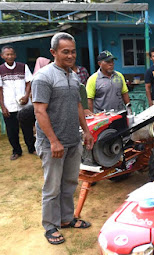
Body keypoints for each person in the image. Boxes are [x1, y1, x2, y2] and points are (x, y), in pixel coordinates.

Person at [31, 32, 94, 245]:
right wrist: (53, 141)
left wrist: (86, 131)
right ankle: (50, 226)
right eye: (65, 51)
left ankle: (67, 219)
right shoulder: (44, 77)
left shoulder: (73, 75)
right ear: (53, 52)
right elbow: (39, 111)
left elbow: (78, 105)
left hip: (72, 140)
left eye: (73, 51)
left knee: (69, 182)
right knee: (52, 187)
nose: (70, 55)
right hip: (52, 144)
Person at [0, 45, 36, 160]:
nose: (9, 56)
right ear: (2, 56)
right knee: (12, 130)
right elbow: (0, 89)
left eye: (11, 54)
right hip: (9, 105)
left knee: (28, 129)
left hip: (24, 105)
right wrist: (3, 107)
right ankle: (16, 151)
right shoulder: (0, 70)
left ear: (15, 55)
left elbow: (28, 82)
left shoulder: (23, 67)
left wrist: (26, 96)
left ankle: (32, 148)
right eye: (7, 54)